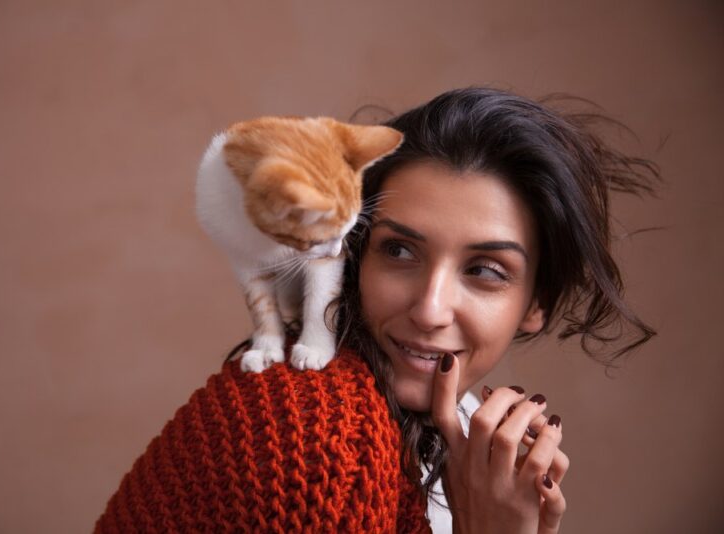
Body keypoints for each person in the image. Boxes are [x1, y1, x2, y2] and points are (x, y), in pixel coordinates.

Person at [95, 87, 658, 533]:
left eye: (484, 270)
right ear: (353, 252)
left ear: (536, 303)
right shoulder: (312, 433)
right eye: (400, 251)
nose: (430, 309)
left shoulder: (470, 446)